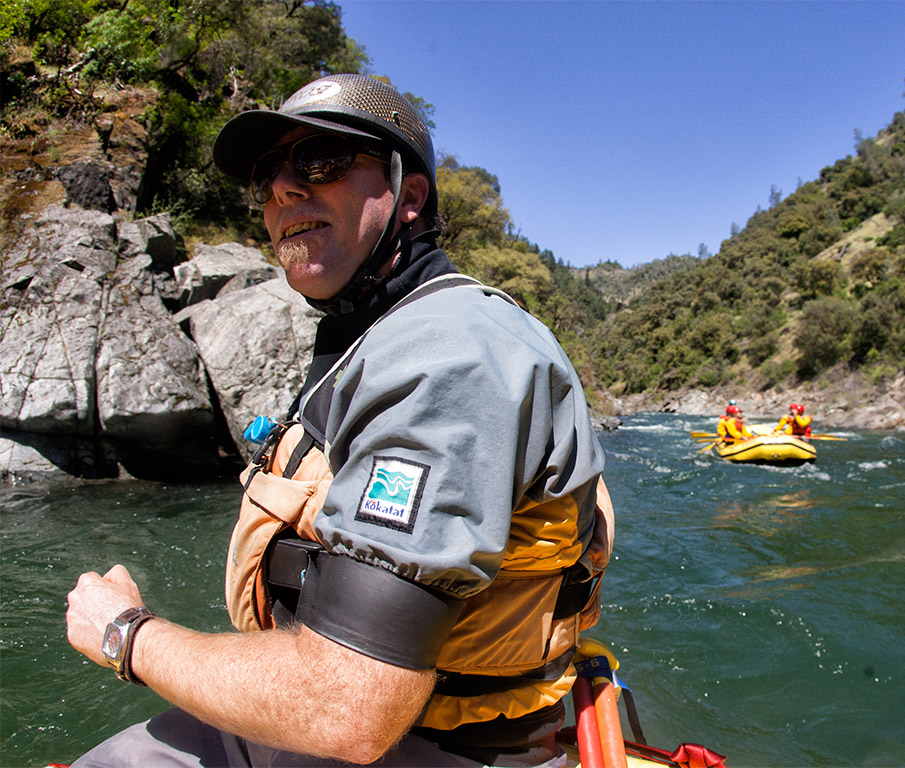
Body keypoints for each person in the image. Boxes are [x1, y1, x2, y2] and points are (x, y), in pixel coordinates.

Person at [64, 73, 612, 768]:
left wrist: (125, 635)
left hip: (425, 749)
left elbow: (348, 709)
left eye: (321, 160)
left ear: (409, 196)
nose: (286, 189)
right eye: (268, 177)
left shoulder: (449, 355)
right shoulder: (377, 336)